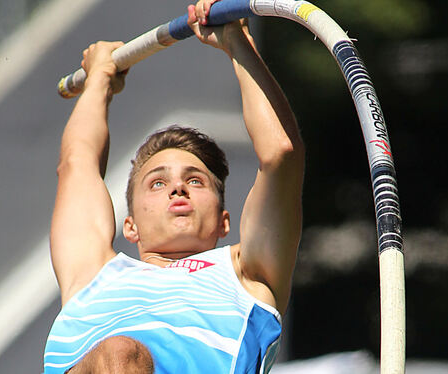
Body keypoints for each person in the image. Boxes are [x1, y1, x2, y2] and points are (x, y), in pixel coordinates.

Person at [43, 0, 304, 372]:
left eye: (194, 181)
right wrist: (98, 80)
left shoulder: (248, 273)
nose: (177, 188)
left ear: (223, 221)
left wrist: (237, 40)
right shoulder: (92, 274)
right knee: (118, 354)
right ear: (129, 225)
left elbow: (281, 154)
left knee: (120, 353)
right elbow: (76, 164)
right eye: (157, 182)